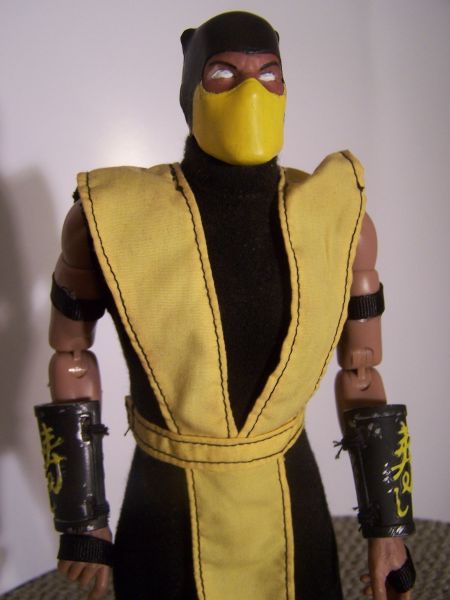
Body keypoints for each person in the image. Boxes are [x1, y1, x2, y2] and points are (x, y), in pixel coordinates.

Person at [35, 11, 415, 600]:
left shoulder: (338, 216)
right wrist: (81, 516)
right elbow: (70, 355)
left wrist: (389, 527)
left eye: (269, 74)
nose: (250, 90)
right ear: (191, 90)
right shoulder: (111, 215)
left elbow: (362, 373)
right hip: (166, 504)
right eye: (223, 73)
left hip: (290, 495)